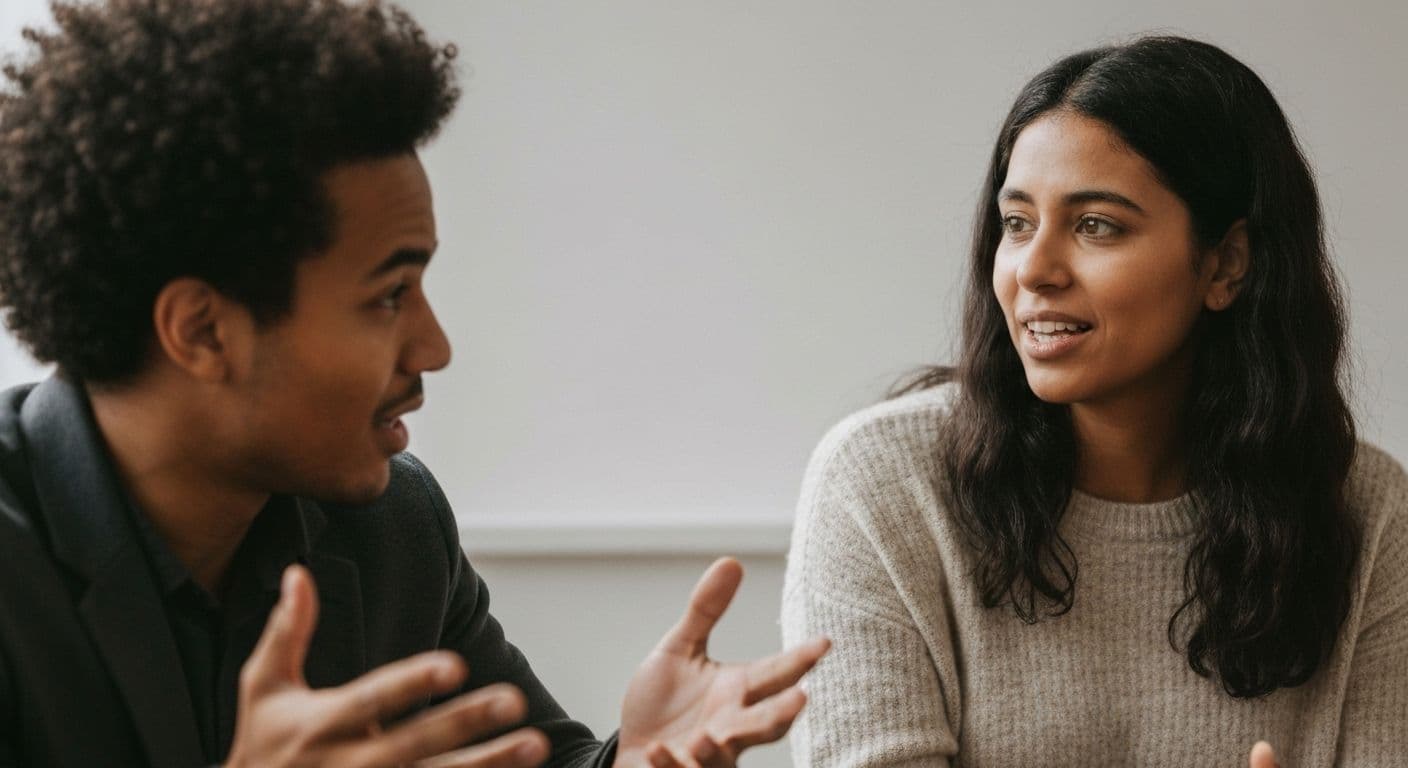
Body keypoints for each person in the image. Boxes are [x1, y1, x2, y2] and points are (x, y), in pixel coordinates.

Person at [0, 1, 829, 766]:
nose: (434, 347)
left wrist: (635, 759)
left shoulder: (392, 526)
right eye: (389, 295)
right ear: (202, 330)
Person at [781, 35, 1406, 767]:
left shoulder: (1370, 512)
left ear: (1226, 265)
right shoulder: (882, 484)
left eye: (1095, 226)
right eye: (1016, 224)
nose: (1034, 270)